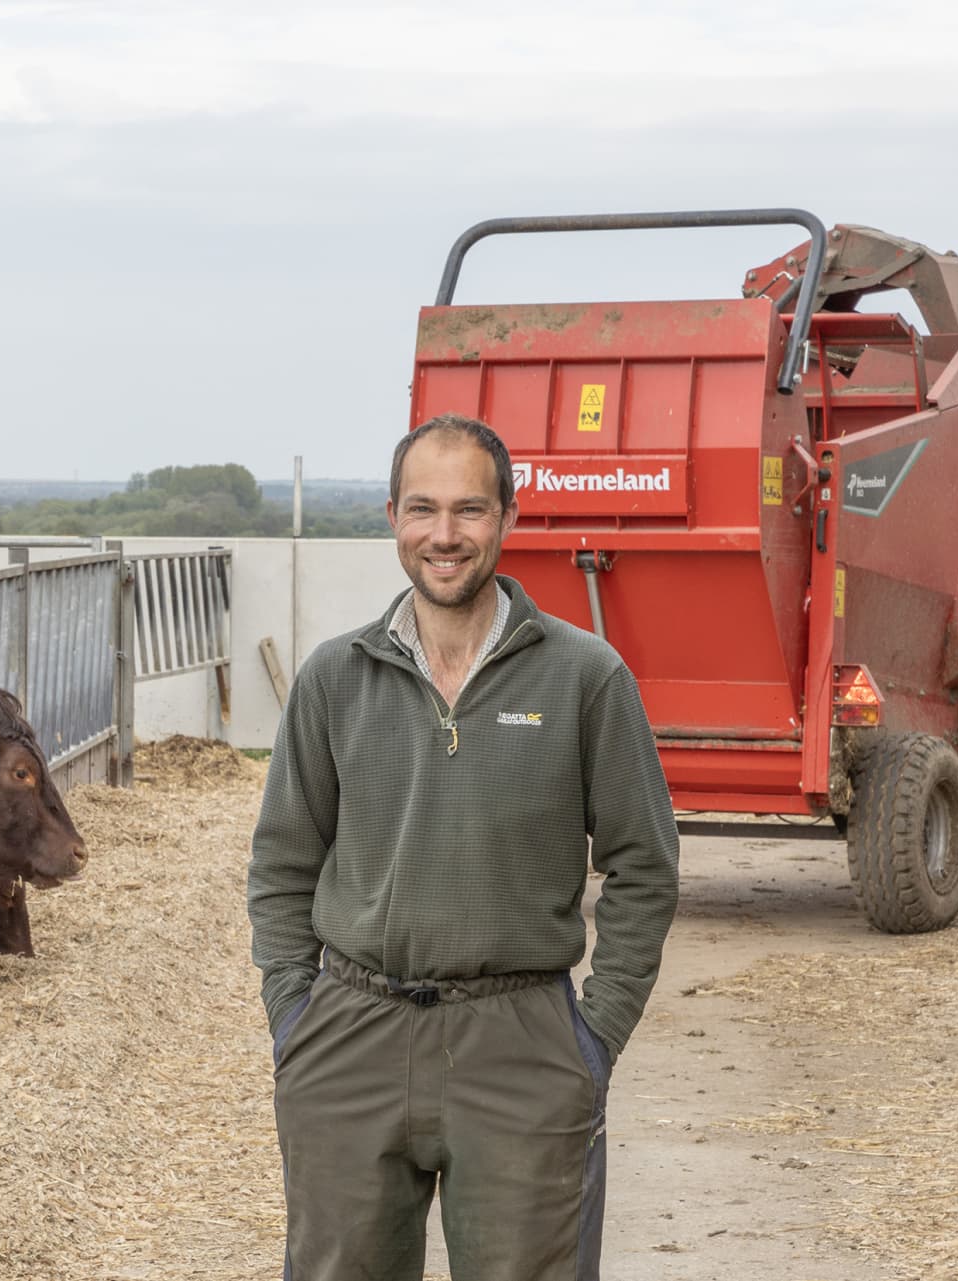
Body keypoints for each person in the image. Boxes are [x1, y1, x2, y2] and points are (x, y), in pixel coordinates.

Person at [247, 413, 679, 1281]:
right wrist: (295, 1015)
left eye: (470, 510)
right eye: (423, 508)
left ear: (509, 520)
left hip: (522, 1040)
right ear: (393, 518)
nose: (445, 535)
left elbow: (644, 864)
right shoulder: (335, 677)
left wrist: (593, 1036)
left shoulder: (585, 675)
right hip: (349, 1033)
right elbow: (283, 864)